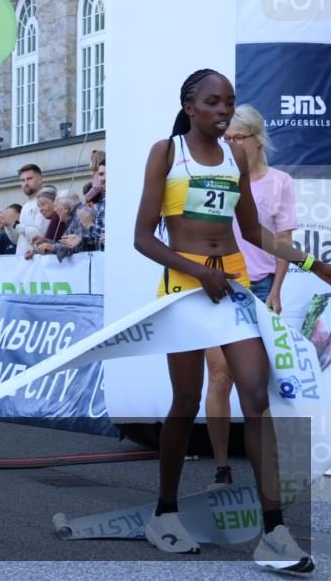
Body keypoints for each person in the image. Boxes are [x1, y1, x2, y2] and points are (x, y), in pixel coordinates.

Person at [133, 68, 329, 570]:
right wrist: (198, 272)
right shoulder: (166, 153)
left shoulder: (235, 155)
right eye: (213, 103)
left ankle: (275, 532)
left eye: (229, 103)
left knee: (256, 397)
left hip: (233, 288)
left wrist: (313, 263)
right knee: (183, 400)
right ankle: (165, 513)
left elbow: (252, 231)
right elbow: (144, 239)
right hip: (184, 291)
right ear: (190, 105)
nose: (223, 111)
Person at [205, 105, 299, 489]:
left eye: (237, 138)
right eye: (225, 138)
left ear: (258, 140)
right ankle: (223, 468)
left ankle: (272, 469)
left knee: (260, 382)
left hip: (260, 288)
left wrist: (276, 290)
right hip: (220, 285)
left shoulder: (280, 182)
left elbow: (284, 243)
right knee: (220, 376)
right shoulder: (218, 177)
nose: (229, 144)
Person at [5, 164, 49, 255]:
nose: (25, 183)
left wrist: (15, 224)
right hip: (24, 263)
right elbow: (19, 240)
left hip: (39, 262)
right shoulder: (25, 206)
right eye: (22, 180)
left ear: (41, 179)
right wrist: (8, 225)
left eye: (29, 179)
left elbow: (39, 235)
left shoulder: (47, 201)